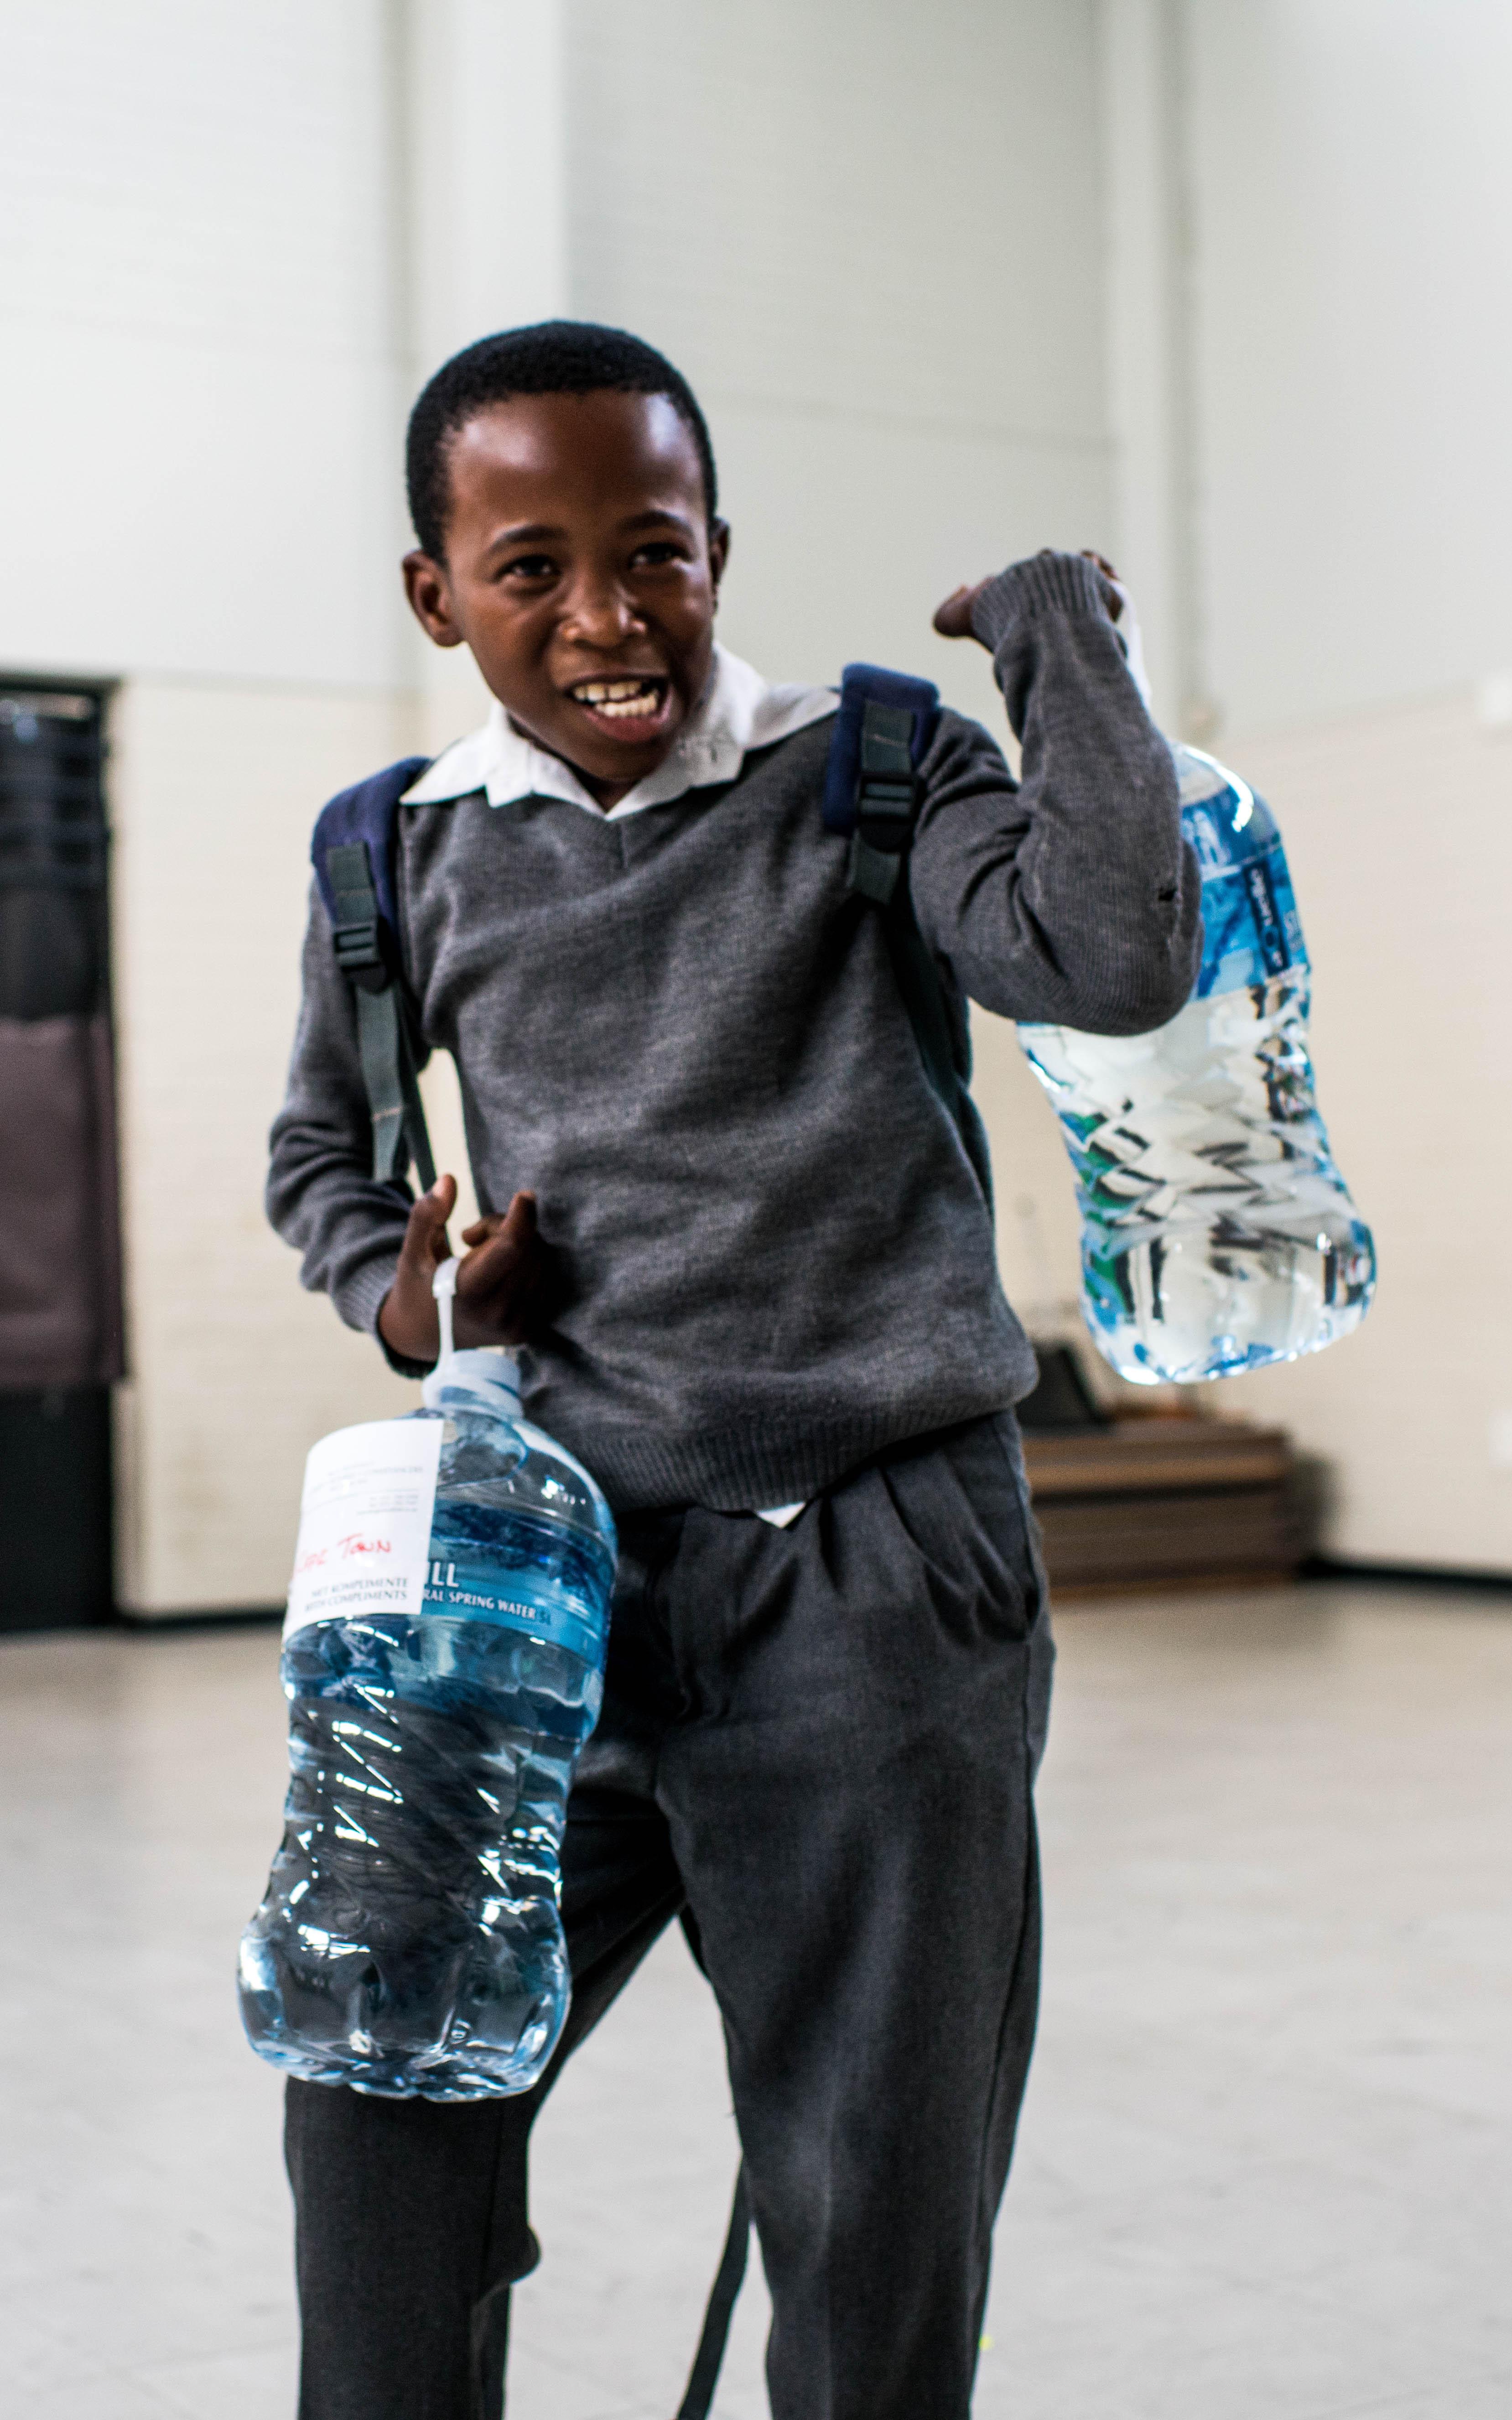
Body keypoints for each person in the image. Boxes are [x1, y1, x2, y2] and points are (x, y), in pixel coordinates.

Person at [267, 319, 1200, 2420]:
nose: (606, 616)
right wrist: (417, 1302)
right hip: (530, 1580)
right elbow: (321, 1160)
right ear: (437, 595)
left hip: (872, 1569)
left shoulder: (874, 769)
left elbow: (1115, 954)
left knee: (872, 2191)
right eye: (531, 568)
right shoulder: (390, 850)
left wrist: (1052, 644)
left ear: (714, 550)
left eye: (655, 553)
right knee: (379, 2085)